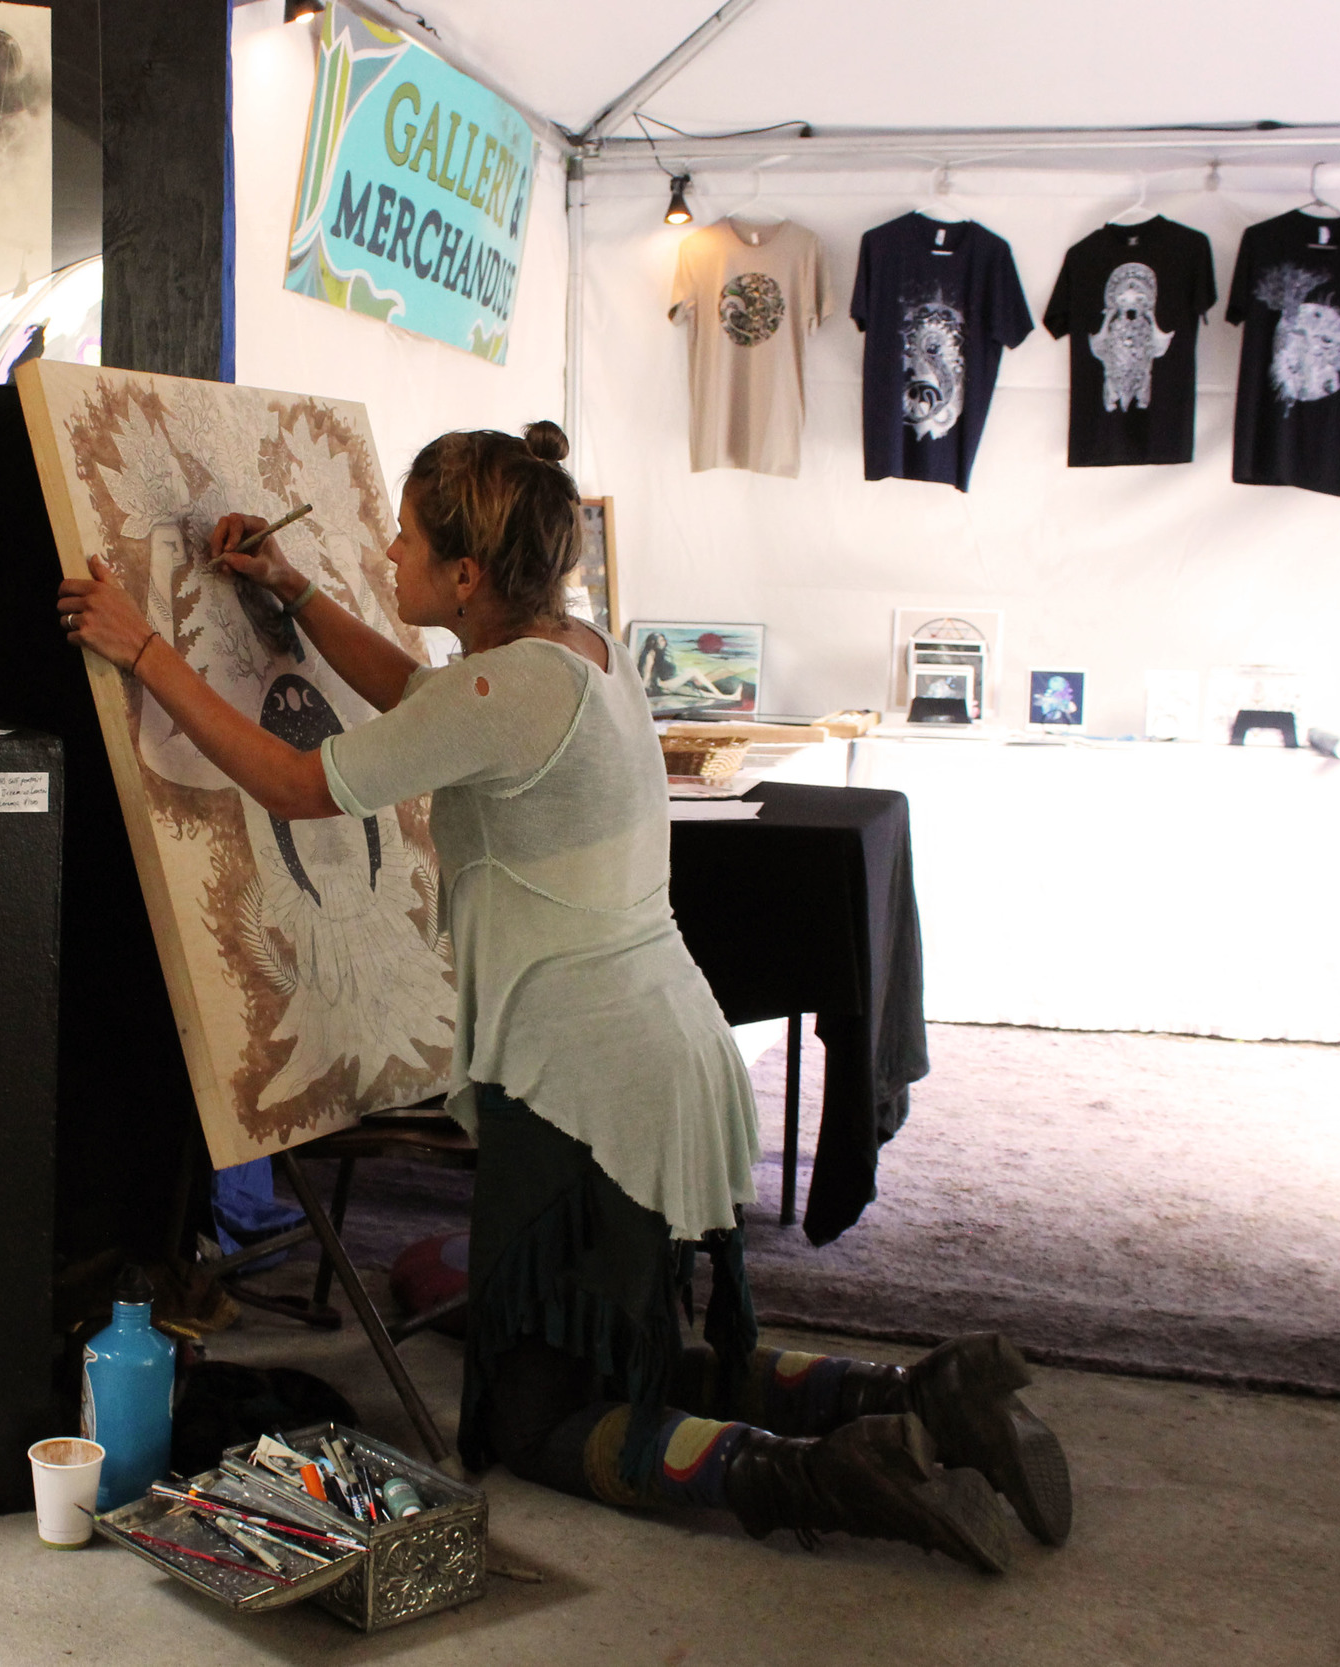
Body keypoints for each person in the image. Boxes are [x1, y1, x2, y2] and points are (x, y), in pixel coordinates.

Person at [57, 421, 1070, 1572]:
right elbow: (422, 700)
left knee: (533, 1415)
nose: (384, 556)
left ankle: (827, 1472)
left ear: (465, 575)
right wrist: (292, 588)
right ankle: (919, 1395)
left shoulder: (501, 686)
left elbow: (297, 780)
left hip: (585, 1077)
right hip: (652, 1048)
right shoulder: (569, 651)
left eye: (399, 541)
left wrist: (148, 652)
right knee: (615, 1354)